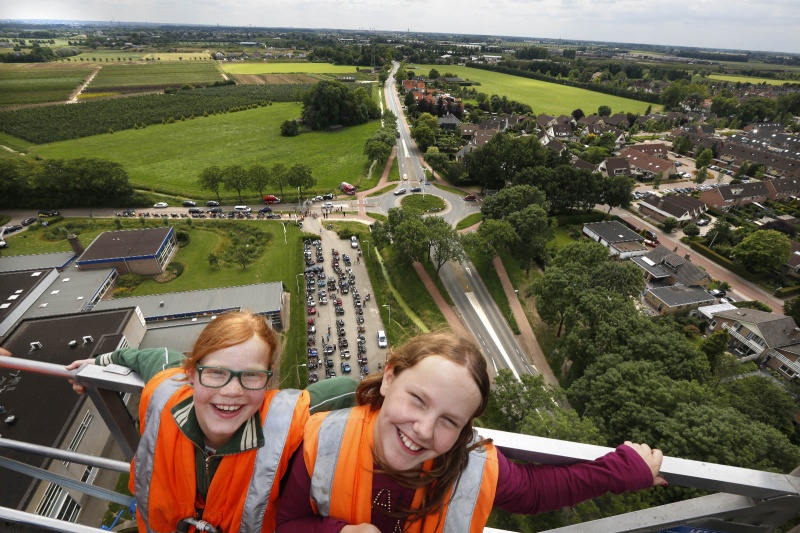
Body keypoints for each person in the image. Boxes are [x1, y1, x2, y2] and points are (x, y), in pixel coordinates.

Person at [275, 331, 666, 533]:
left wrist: (623, 471)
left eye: (449, 421)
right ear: (390, 377)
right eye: (418, 399)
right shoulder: (321, 440)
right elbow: (285, 524)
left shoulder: (469, 465)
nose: (423, 430)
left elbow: (535, 491)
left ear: (465, 429)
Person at [67, 311, 357, 533]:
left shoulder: (285, 420)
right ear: (191, 374)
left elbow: (346, 388)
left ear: (268, 381)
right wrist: (99, 362)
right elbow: (152, 356)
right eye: (217, 373)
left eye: (251, 376)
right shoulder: (164, 392)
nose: (232, 391)